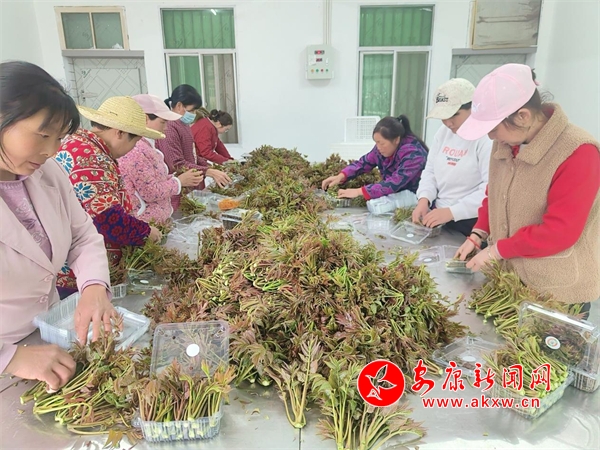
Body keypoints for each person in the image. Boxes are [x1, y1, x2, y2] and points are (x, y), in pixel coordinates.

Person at [0, 61, 117, 390]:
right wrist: (11, 358)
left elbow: (81, 236)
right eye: (43, 135)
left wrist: (93, 287)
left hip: (45, 336)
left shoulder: (46, 174)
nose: (52, 151)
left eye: (59, 138)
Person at [455, 64, 600, 315]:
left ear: (522, 116)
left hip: (556, 289)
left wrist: (497, 250)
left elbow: (560, 232)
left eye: (493, 129)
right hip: (512, 278)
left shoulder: (578, 152)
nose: (490, 137)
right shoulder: (507, 141)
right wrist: (478, 234)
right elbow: (495, 194)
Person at [55, 96, 164, 294]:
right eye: (135, 141)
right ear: (119, 132)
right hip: (79, 276)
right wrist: (146, 232)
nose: (133, 148)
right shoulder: (89, 157)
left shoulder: (85, 146)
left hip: (82, 269)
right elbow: (107, 220)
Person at [412, 79, 492, 236]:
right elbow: (430, 171)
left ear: (473, 108)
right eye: (443, 116)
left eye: (454, 115)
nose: (448, 123)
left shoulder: (486, 138)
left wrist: (453, 212)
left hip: (471, 222)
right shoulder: (443, 133)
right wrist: (424, 199)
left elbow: (490, 189)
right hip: (439, 216)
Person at [119, 94, 204, 224]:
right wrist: (179, 181)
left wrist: (175, 178)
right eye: (163, 122)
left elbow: (153, 179)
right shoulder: (135, 150)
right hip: (147, 225)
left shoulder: (147, 145)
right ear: (145, 118)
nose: (165, 127)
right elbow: (149, 192)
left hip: (158, 221)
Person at [156, 85, 231, 210]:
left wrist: (210, 167)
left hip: (192, 189)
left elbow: (192, 155)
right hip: (178, 193)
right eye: (192, 110)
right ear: (179, 106)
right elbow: (176, 164)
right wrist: (208, 171)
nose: (194, 114)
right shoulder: (169, 127)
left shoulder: (183, 124)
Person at [321, 115, 428, 203]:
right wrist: (341, 176)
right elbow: (363, 163)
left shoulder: (414, 154)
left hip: (417, 201)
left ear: (396, 139)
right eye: (376, 142)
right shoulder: (380, 149)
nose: (378, 147)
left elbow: (394, 182)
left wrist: (359, 192)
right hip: (396, 199)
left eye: (382, 143)